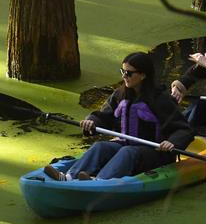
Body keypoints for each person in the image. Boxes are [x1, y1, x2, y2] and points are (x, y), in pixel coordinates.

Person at [44, 52, 194, 181]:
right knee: (100, 146)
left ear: (143, 75)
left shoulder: (161, 100)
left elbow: (184, 130)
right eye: (122, 71)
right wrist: (92, 121)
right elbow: (104, 116)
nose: (124, 76)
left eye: (129, 73)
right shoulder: (119, 94)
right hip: (126, 145)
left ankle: (100, 181)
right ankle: (70, 177)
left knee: (127, 152)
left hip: (156, 153)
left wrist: (172, 142)